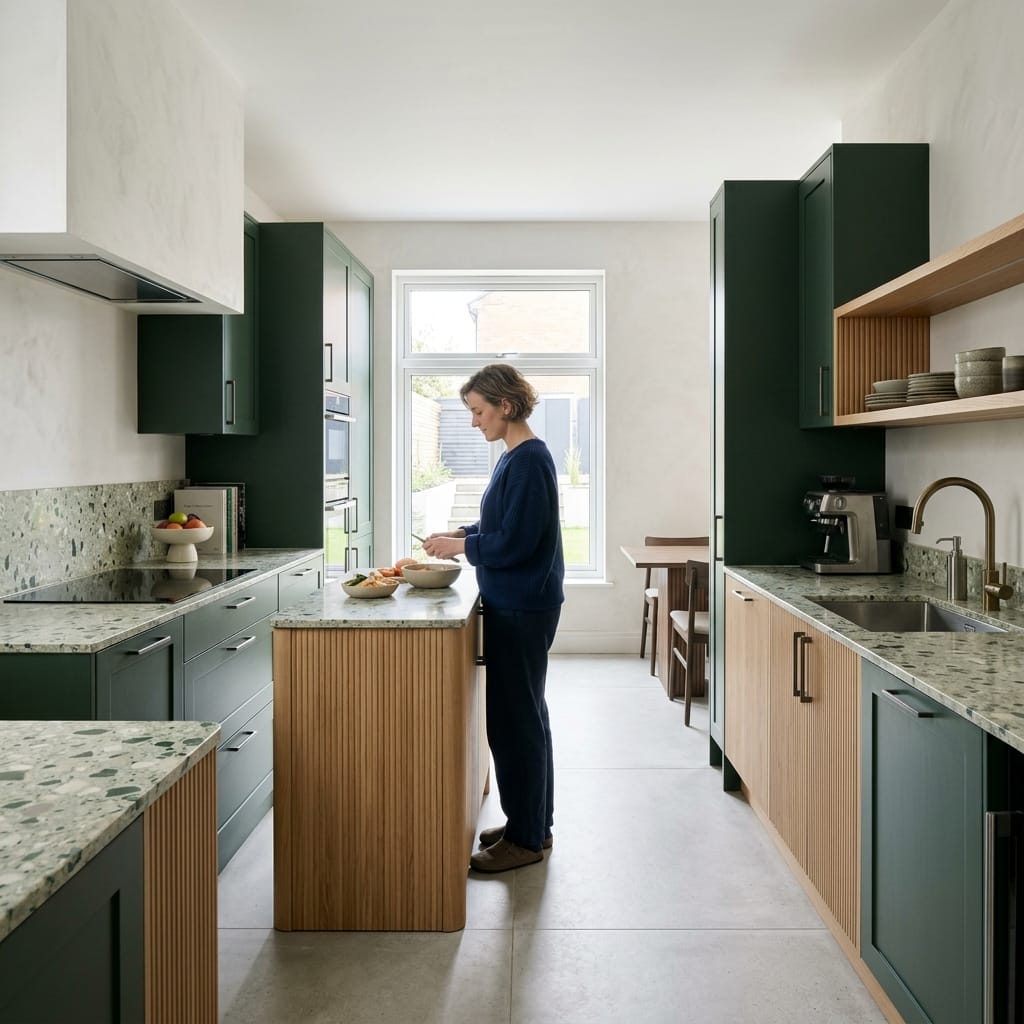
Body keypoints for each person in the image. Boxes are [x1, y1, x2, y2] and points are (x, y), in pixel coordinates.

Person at [423, 363, 565, 873]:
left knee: (514, 724)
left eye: (478, 411)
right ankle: (532, 824)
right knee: (525, 717)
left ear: (506, 406)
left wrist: (463, 548)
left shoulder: (529, 460)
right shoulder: (516, 457)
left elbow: (517, 542)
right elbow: (500, 523)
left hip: (522, 606)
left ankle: (525, 840)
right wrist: (460, 534)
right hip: (520, 602)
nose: (473, 421)